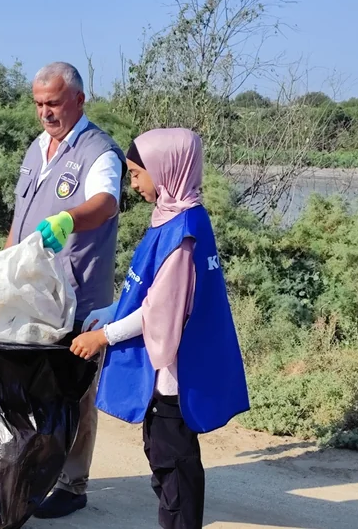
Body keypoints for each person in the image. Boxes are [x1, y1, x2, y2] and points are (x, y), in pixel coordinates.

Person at [69, 128, 250, 529]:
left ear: (165, 169)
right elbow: (147, 288)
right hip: (167, 377)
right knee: (166, 463)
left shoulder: (182, 234)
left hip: (172, 379)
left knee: (173, 469)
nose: (133, 184)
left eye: (136, 173)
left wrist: (103, 336)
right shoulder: (179, 216)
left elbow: (158, 312)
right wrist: (109, 309)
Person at [6, 62, 126, 518]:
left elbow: (105, 203)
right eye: (38, 104)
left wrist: (68, 218)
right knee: (33, 388)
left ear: (78, 100)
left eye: (53, 103)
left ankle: (73, 483)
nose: (45, 113)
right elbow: (19, 216)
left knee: (75, 394)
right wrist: (5, 262)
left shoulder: (99, 152)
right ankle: (37, 472)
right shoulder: (38, 147)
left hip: (77, 296)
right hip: (31, 295)